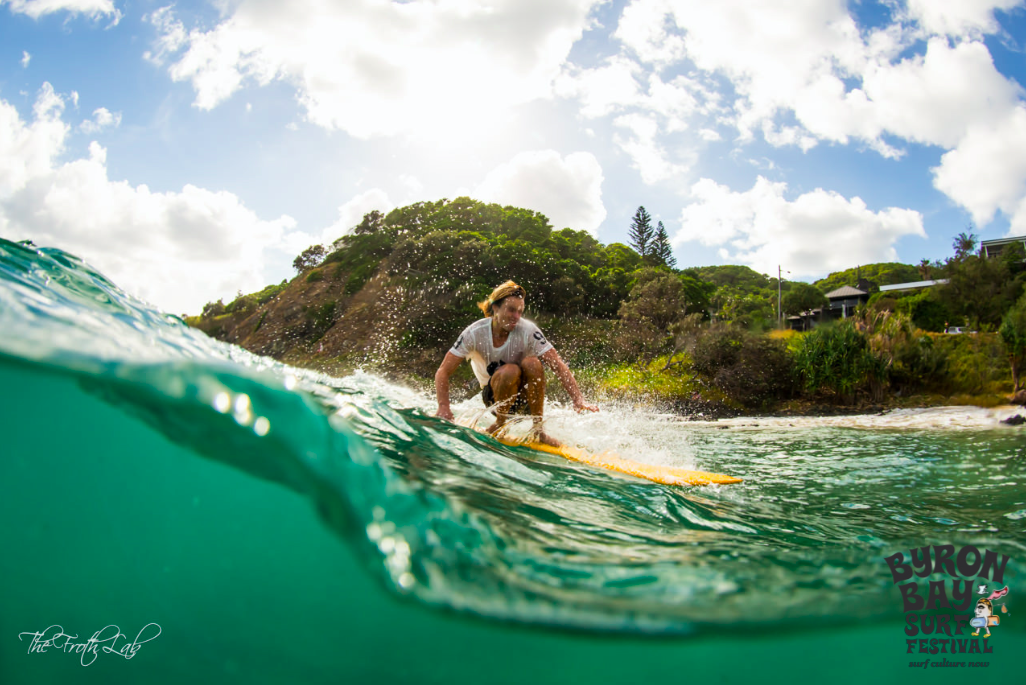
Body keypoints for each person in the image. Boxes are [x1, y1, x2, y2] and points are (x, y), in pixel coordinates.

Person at [434, 280, 598, 446]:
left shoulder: (528, 330)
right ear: (495, 308)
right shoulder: (475, 333)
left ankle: (538, 431)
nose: (516, 317)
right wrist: (444, 408)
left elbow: (557, 363)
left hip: (525, 401)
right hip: (494, 400)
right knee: (510, 370)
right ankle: (500, 424)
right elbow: (443, 371)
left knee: (532, 363)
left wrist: (579, 400)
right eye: (511, 310)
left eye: (520, 311)